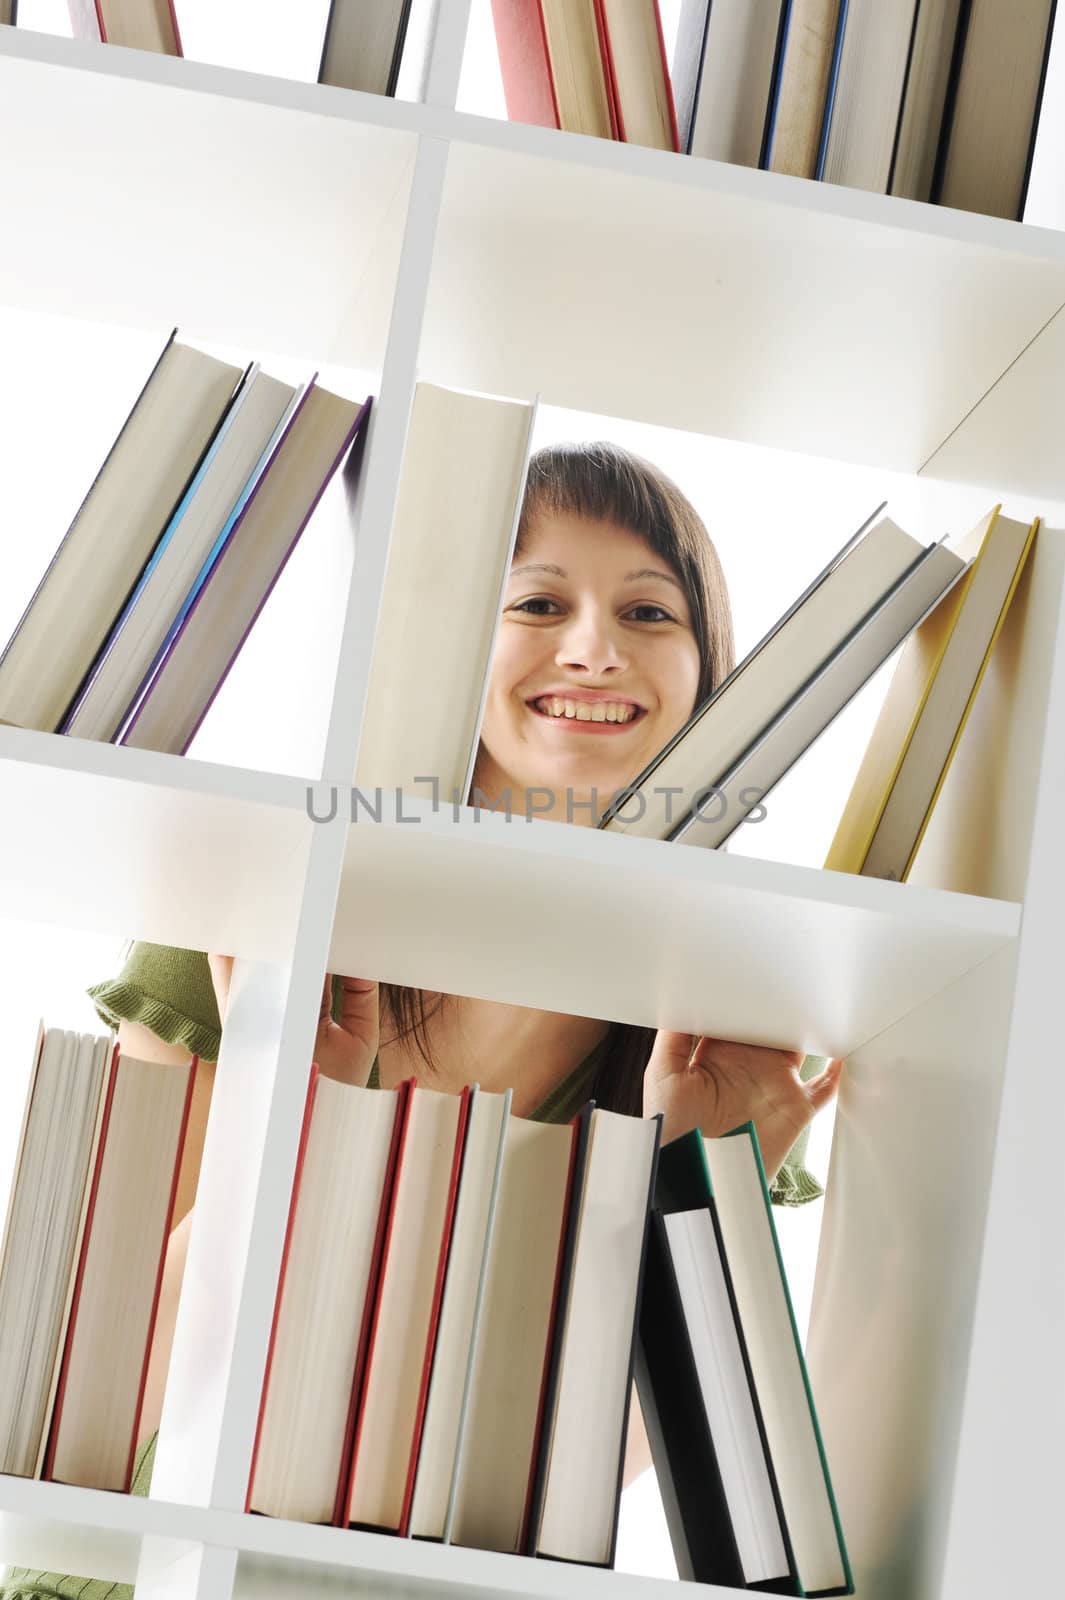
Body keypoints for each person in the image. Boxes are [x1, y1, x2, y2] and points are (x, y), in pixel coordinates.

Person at [2, 442, 841, 1600]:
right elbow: (85, 1399)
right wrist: (280, 1119)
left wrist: (701, 1186)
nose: (595, 645)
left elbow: (585, 1481)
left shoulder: (710, 1023)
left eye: (650, 610)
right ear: (450, 643)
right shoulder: (263, 922)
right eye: (539, 602)